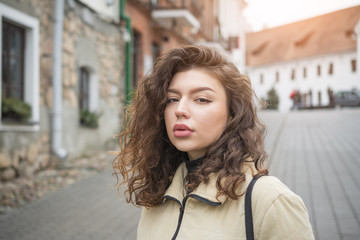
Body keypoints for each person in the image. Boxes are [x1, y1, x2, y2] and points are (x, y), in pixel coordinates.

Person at [113, 45, 314, 240]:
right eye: (171, 99)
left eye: (201, 99)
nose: (180, 109)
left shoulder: (270, 201)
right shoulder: (159, 194)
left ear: (232, 113)